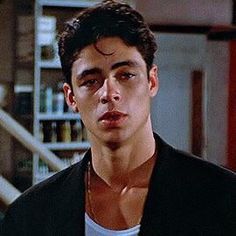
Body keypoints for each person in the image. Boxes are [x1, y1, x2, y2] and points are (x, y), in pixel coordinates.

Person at [1, 0, 236, 235]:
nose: (109, 93)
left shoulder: (222, 197)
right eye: (91, 81)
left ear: (151, 82)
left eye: (126, 75)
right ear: (71, 97)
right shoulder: (30, 215)